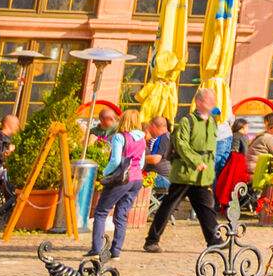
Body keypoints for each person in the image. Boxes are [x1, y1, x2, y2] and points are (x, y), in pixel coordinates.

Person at [142, 94, 223, 252]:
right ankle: (151, 240)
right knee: (169, 206)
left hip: (202, 175)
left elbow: (211, 149)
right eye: (208, 100)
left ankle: (215, 240)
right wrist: (195, 161)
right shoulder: (187, 121)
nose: (212, 103)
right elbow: (181, 144)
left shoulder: (213, 122)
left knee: (206, 207)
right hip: (185, 173)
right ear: (198, 102)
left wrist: (209, 170)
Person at [87, 117, 145, 259]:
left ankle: (96, 250)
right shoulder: (142, 139)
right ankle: (116, 251)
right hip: (137, 178)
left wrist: (105, 173)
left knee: (101, 212)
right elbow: (142, 163)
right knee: (121, 215)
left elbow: (116, 161)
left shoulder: (120, 137)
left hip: (121, 179)